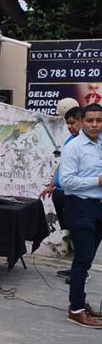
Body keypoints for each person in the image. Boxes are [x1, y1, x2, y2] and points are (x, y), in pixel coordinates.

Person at [57, 102, 102, 329]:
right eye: (90, 120)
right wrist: (97, 181)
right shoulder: (73, 147)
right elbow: (66, 182)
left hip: (99, 207)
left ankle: (81, 304)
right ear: (82, 121)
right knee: (82, 260)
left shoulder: (101, 143)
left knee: (88, 258)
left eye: (99, 120)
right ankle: (76, 309)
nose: (95, 125)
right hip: (80, 206)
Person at [39, 104, 83, 279]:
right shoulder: (70, 141)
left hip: (74, 194)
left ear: (82, 121)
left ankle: (81, 271)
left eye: (73, 123)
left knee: (78, 233)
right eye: (68, 123)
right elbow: (61, 164)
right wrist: (51, 185)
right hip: (60, 192)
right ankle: (75, 267)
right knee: (69, 233)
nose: (70, 126)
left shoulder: (88, 143)